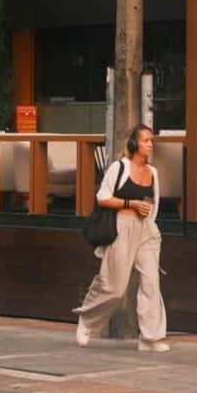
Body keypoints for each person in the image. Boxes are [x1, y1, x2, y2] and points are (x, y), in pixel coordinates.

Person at [73, 124, 169, 352]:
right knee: (114, 287)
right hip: (121, 227)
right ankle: (87, 321)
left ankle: (150, 338)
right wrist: (130, 204)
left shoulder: (153, 172)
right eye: (145, 140)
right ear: (134, 144)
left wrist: (149, 224)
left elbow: (153, 202)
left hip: (145, 230)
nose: (150, 144)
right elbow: (102, 198)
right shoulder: (119, 168)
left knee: (151, 283)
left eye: (151, 141)